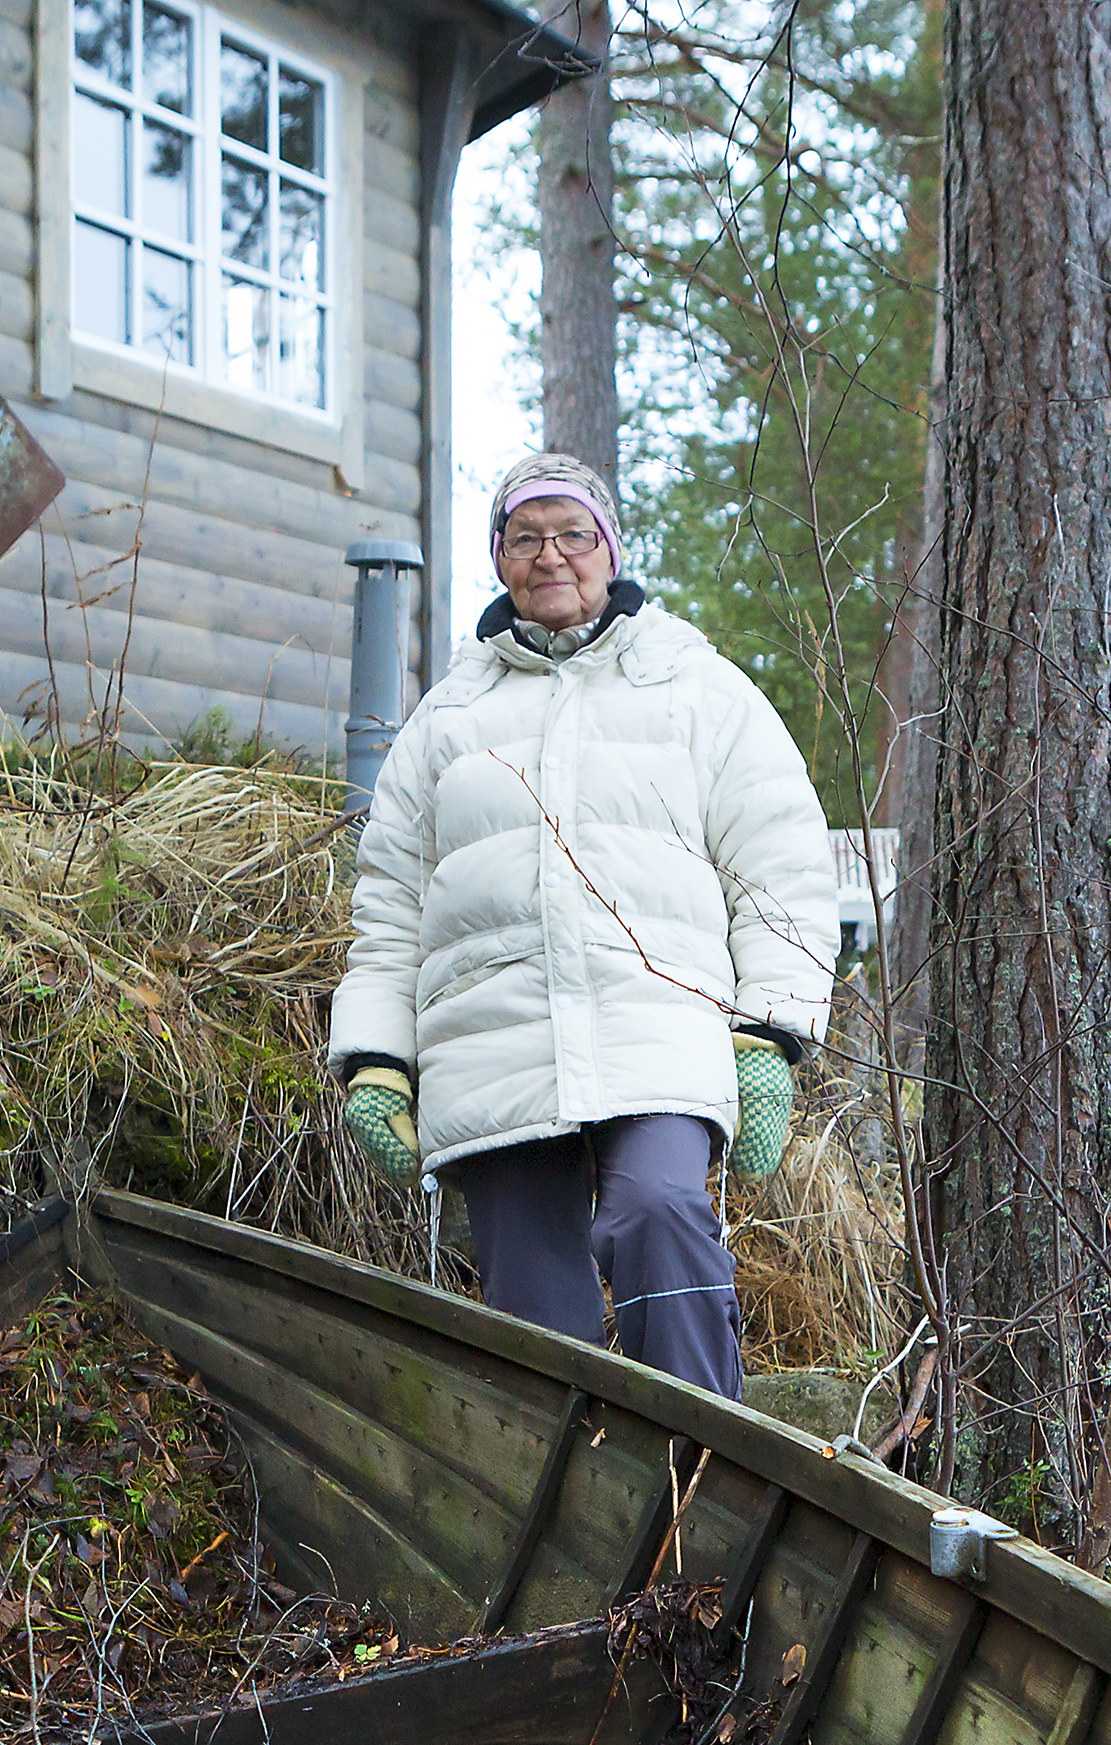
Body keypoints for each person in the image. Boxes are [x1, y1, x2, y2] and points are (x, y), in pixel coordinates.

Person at [328, 451, 836, 1396]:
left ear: (610, 547)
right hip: (492, 1045)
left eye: (572, 533)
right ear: (497, 558)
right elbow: (390, 906)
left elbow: (781, 862)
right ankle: (572, 1520)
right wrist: (374, 1057)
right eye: (525, 537)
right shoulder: (449, 717)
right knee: (536, 1315)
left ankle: (698, 1481)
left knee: (664, 1214)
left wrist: (771, 1031)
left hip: (659, 1027)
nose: (549, 555)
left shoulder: (695, 686)